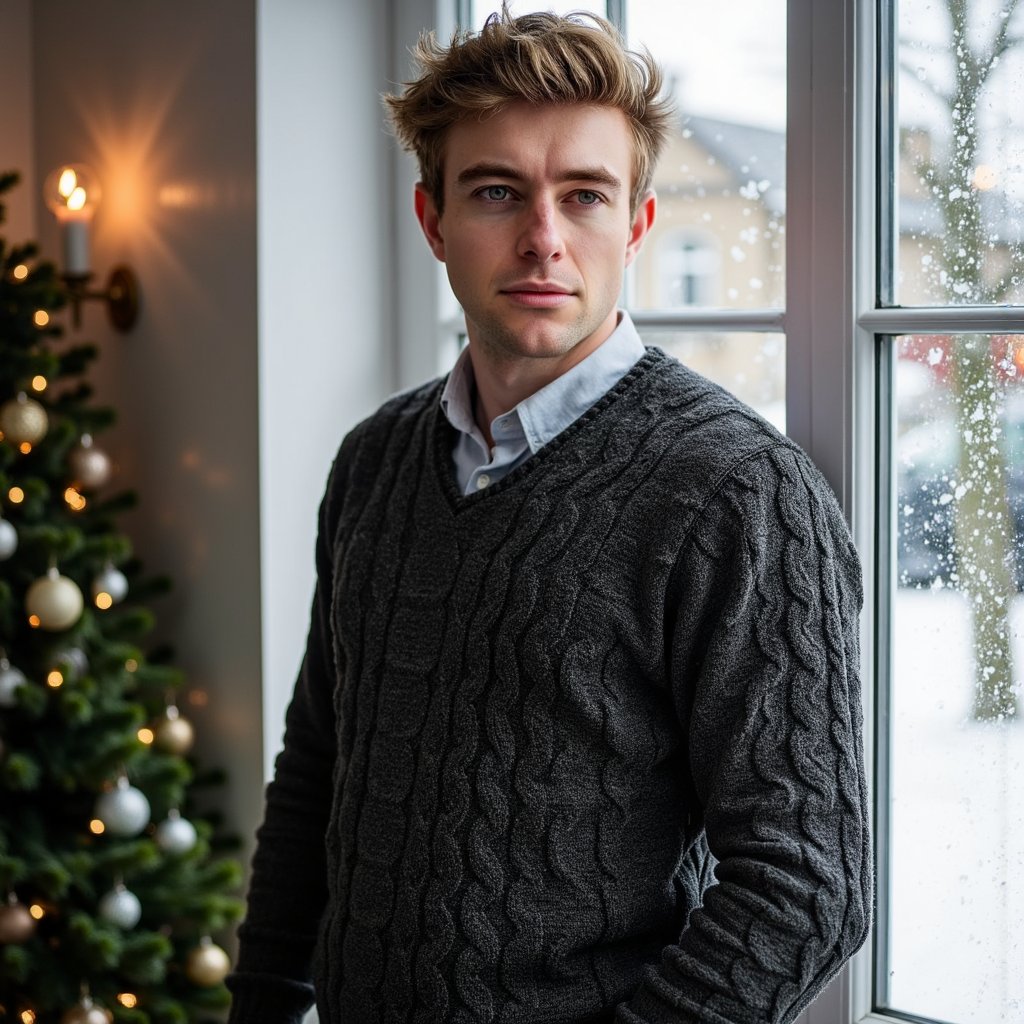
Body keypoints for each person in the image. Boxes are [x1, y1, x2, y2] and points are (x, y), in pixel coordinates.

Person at [226, 9, 870, 1024]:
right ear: (431, 220)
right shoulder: (374, 461)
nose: (542, 238)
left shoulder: (737, 491)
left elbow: (804, 889)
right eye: (495, 191)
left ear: (638, 224)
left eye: (584, 195)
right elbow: (318, 767)